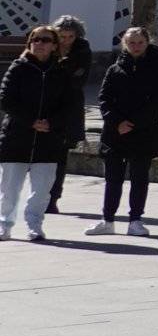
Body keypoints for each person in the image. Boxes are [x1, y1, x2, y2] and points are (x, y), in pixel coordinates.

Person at [90, 27, 158, 236]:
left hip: (144, 131)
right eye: (131, 43)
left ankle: (135, 220)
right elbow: (104, 99)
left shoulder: (157, 67)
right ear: (124, 43)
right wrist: (116, 122)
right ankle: (107, 219)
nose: (135, 47)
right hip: (115, 133)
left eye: (140, 42)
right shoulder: (115, 69)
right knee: (113, 178)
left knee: (139, 177)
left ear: (147, 42)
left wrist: (134, 123)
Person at [0, 24, 70, 240]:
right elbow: (6, 99)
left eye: (46, 40)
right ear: (29, 43)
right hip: (17, 137)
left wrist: (51, 123)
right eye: (36, 39)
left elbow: (69, 104)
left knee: (41, 191)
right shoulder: (18, 68)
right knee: (10, 189)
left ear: (55, 46)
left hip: (49, 140)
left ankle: (34, 224)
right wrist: (31, 121)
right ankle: (5, 225)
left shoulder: (60, 72)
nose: (40, 44)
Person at [48, 14, 89, 214]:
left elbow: (78, 79)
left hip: (68, 108)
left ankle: (53, 197)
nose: (65, 41)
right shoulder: (47, 47)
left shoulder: (82, 50)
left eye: (70, 37)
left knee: (60, 155)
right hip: (46, 107)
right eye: (62, 36)